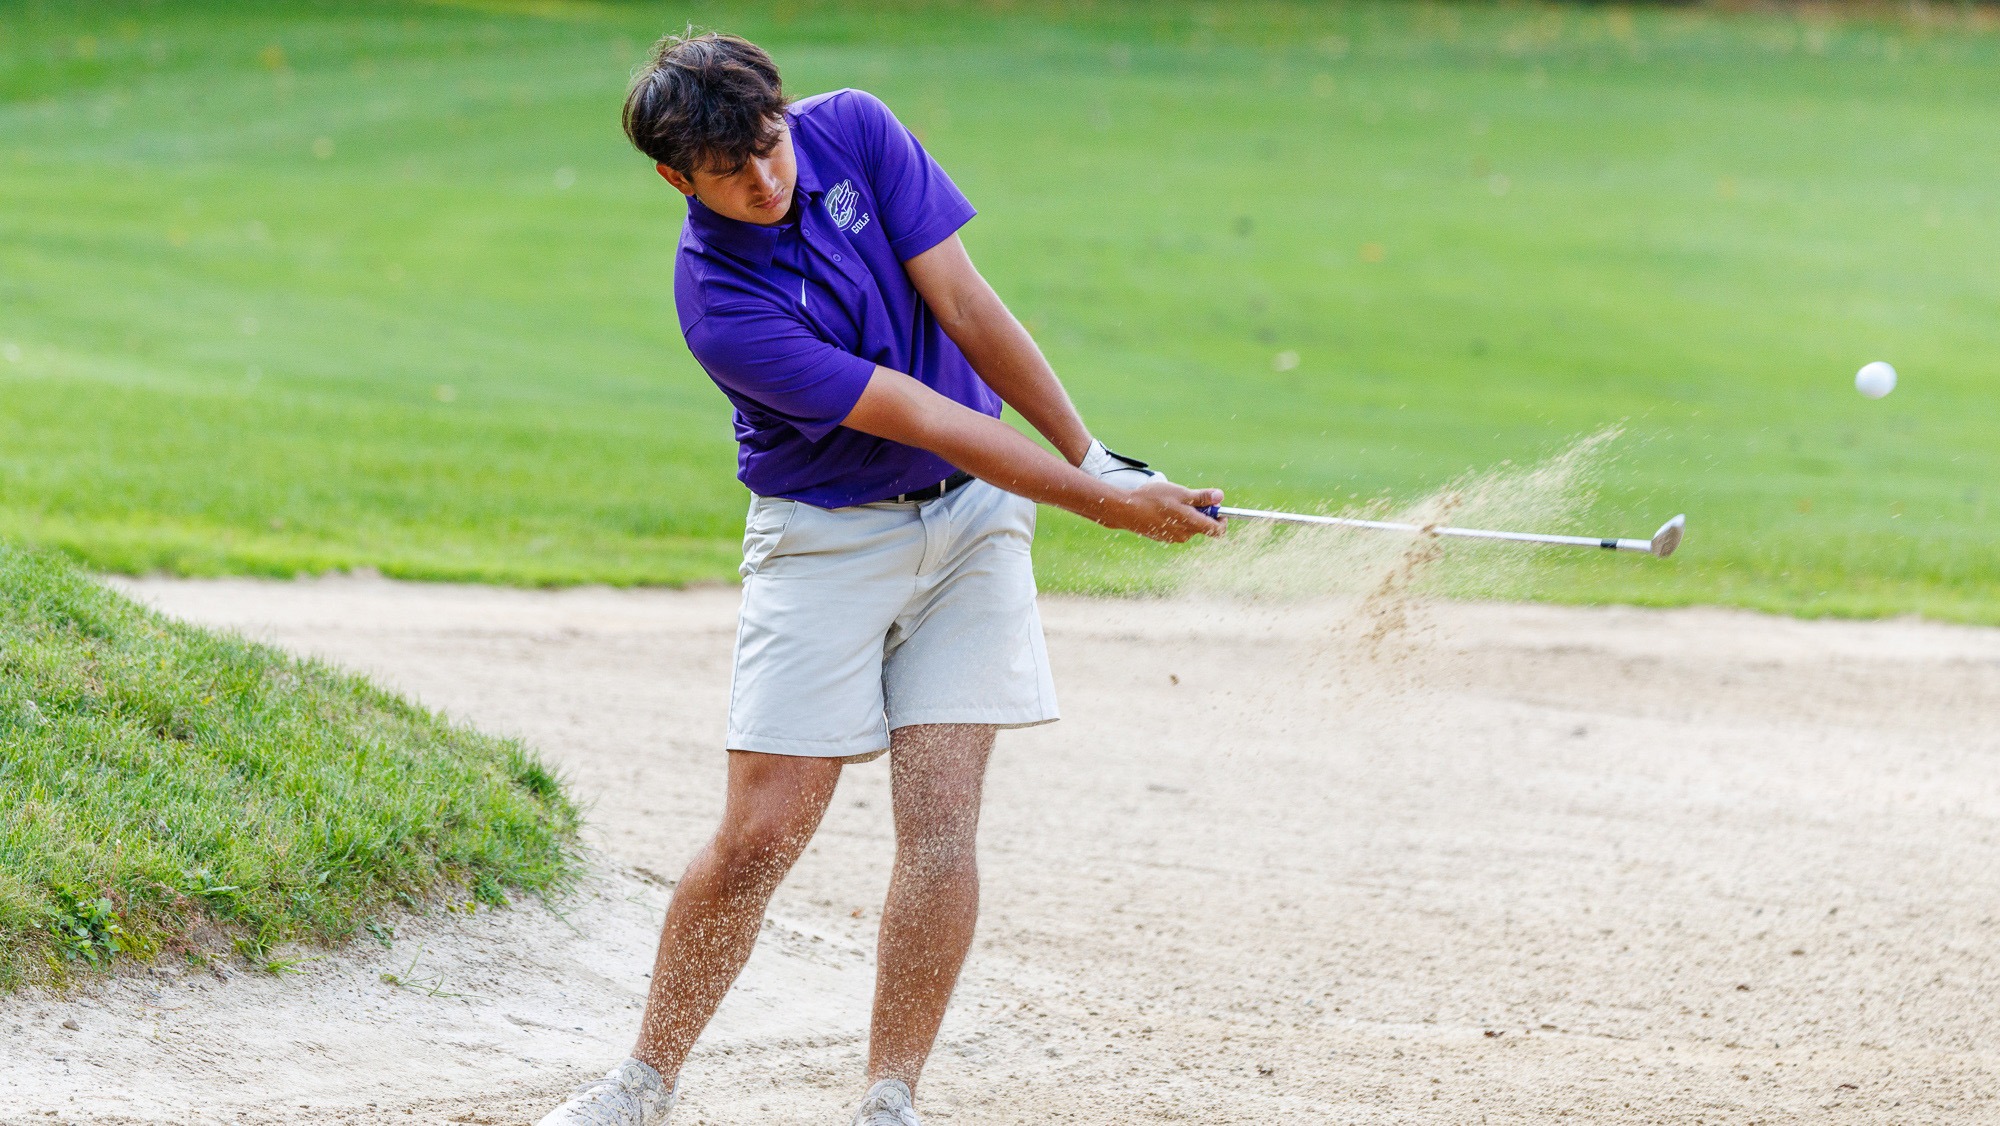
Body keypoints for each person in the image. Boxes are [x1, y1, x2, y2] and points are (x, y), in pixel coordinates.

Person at [537, 29, 1222, 1126]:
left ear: (783, 114)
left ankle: (889, 1096)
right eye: (731, 172)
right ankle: (644, 1078)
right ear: (676, 178)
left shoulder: (850, 128)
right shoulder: (719, 303)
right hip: (826, 544)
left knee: (942, 821)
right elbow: (921, 415)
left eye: (768, 147)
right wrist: (1102, 505)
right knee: (762, 831)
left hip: (971, 532)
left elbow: (966, 307)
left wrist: (1093, 457)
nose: (765, 180)